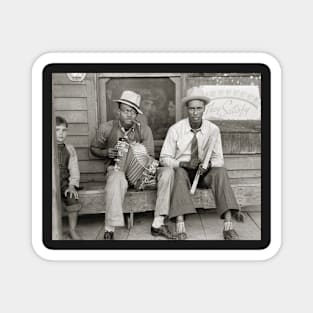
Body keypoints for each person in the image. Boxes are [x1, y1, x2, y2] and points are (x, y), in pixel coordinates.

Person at [155, 86, 240, 240]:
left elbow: (219, 159)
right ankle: (180, 225)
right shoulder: (175, 129)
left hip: (205, 172)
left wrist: (208, 164)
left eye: (199, 108)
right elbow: (163, 158)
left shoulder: (213, 130)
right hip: (185, 173)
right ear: (187, 109)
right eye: (192, 109)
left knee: (221, 171)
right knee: (179, 173)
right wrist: (183, 164)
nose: (195, 112)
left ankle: (228, 226)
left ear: (204, 109)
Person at [90, 90, 175, 240]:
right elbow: (93, 149)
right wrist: (106, 153)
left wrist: (145, 165)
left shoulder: (144, 130)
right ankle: (109, 229)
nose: (129, 115)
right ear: (118, 112)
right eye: (126, 111)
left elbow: (150, 156)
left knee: (168, 172)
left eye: (133, 112)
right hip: (118, 171)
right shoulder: (107, 128)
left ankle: (158, 223)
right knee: (116, 178)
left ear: (137, 114)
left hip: (140, 175)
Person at [55, 116, 82, 240]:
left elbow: (74, 169)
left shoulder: (69, 149)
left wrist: (72, 185)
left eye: (64, 130)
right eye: (57, 130)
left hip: (64, 183)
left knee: (72, 199)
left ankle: (72, 230)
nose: (61, 133)